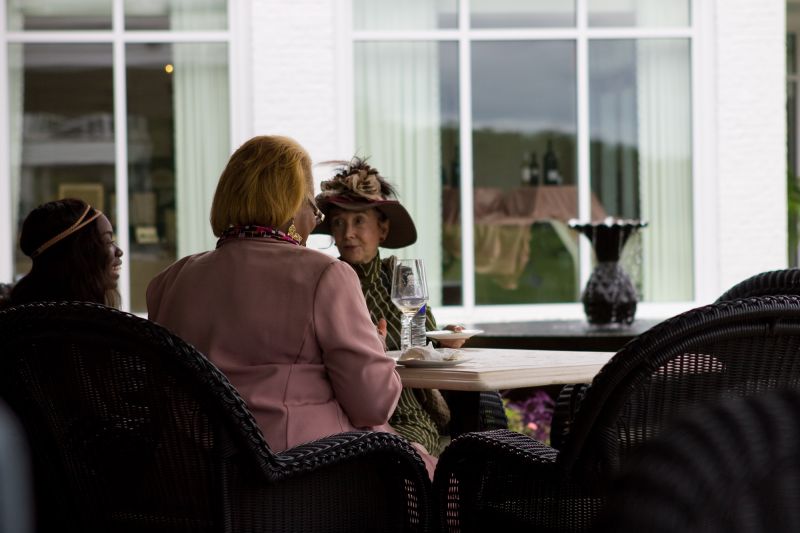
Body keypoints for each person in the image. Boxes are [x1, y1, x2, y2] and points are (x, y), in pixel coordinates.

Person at [146, 136, 412, 467]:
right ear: (287, 207)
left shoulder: (169, 281)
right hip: (301, 476)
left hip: (191, 478)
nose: (315, 220)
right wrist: (374, 346)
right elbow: (372, 404)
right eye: (311, 206)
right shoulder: (326, 275)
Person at [314, 157, 464, 458]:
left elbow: (426, 341)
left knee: (408, 453)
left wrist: (447, 337)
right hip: (345, 409)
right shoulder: (325, 282)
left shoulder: (400, 275)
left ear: (382, 230)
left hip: (407, 409)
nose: (347, 234)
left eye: (359, 221)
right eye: (339, 223)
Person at [8, 198, 123, 308]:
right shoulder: (87, 323)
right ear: (77, 255)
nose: (119, 251)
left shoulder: (17, 314)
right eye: (108, 242)